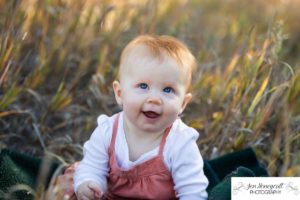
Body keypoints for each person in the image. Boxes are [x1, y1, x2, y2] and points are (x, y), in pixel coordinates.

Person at [73, 35, 209, 200]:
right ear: (120, 93)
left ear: (183, 104)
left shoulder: (180, 142)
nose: (155, 98)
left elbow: (192, 192)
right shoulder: (107, 131)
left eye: (168, 90)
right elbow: (92, 167)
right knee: (72, 184)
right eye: (143, 86)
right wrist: (89, 184)